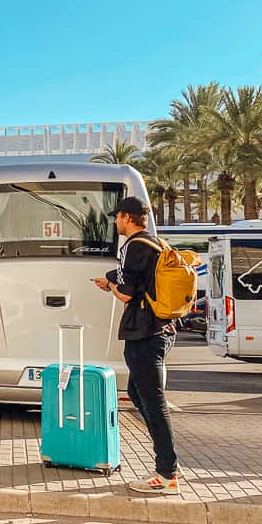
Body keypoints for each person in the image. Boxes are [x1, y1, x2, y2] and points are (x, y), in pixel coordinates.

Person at [92, 196, 180, 495]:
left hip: (145, 333)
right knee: (136, 393)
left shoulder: (133, 245)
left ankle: (167, 473)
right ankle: (168, 464)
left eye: (117, 216)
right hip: (162, 329)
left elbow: (127, 294)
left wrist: (109, 286)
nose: (115, 221)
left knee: (153, 402)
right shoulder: (156, 243)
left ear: (127, 217)